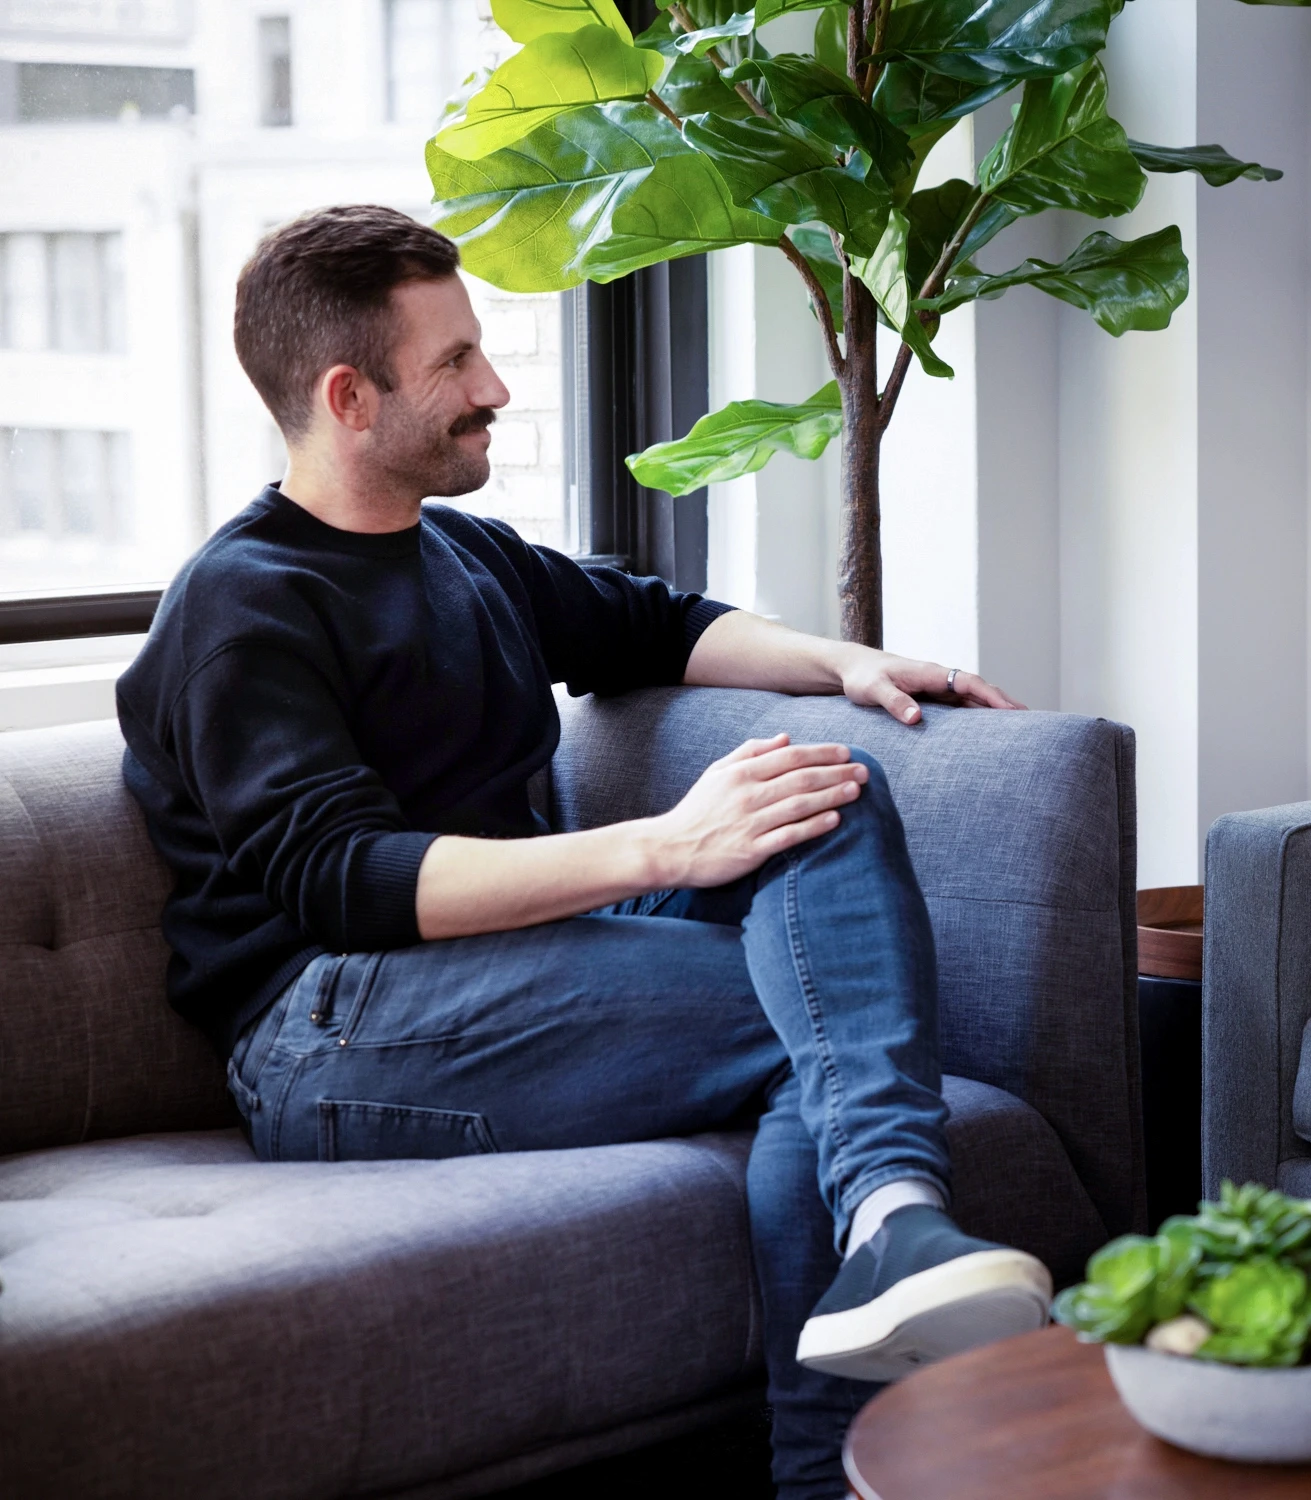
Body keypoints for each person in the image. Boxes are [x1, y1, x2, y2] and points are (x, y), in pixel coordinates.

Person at [116, 205, 1047, 1499]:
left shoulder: (462, 554)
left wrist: (844, 662)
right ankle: (833, 1438)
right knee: (822, 1025)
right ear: (348, 395)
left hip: (512, 955)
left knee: (818, 790)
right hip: (328, 1018)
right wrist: (667, 844)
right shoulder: (242, 605)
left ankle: (891, 1230)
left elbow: (655, 628)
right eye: (453, 365)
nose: (494, 388)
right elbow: (349, 881)